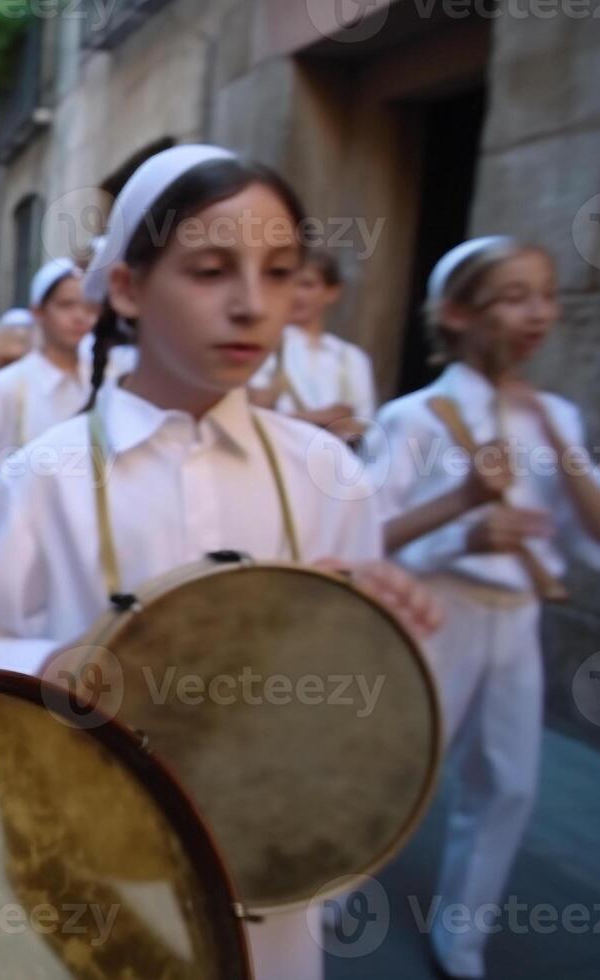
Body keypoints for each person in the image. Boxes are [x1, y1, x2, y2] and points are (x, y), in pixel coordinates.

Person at [0, 144, 440, 980]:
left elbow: (356, 691)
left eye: (279, 273)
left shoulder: (328, 471)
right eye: (210, 270)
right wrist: (49, 662)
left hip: (265, 851)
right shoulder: (44, 477)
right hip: (90, 850)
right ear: (127, 288)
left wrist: (370, 623)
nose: (250, 304)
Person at [377, 235, 600, 980]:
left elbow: (590, 534)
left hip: (516, 617)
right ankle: (333, 891)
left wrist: (561, 451)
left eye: (543, 295)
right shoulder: (415, 418)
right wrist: (461, 528)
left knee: (507, 781)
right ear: (456, 312)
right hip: (432, 608)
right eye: (511, 297)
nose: (536, 314)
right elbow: (361, 536)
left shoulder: (558, 419)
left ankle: (460, 936)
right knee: (396, 767)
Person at [0, 258, 98, 470]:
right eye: (66, 305)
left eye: (87, 306)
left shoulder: (104, 379)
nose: (80, 316)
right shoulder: (7, 385)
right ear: (38, 311)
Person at [251, 248, 376, 430]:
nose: (296, 294)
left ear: (332, 292)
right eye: (288, 283)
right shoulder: (262, 343)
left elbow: (364, 425)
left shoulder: (350, 357)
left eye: (307, 285)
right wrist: (321, 419)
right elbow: (253, 411)